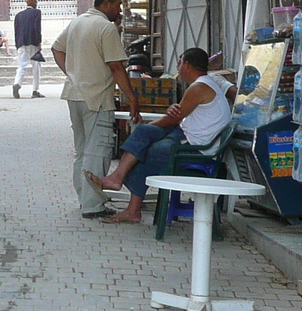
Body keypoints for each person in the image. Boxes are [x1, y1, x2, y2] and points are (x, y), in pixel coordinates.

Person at [86, 47, 236, 224]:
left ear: (187, 65)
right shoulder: (202, 84)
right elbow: (178, 114)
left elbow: (171, 120)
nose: (178, 68)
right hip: (185, 134)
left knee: (147, 152)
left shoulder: (199, 88)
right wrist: (162, 118)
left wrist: (155, 123)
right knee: (143, 133)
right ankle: (117, 178)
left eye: (179, 63)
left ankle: (132, 209)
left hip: (198, 148)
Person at [53, 0, 141, 220]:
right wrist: (132, 98)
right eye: (117, 3)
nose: (119, 9)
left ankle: (85, 200)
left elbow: (56, 48)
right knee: (97, 150)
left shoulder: (78, 22)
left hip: (74, 95)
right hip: (96, 99)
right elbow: (116, 66)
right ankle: (93, 206)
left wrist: (71, 74)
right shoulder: (105, 27)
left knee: (82, 151)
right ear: (106, 4)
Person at [13, 0, 43, 99]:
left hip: (21, 43)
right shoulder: (37, 13)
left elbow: (16, 31)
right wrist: (39, 42)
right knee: (36, 67)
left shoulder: (18, 15)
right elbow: (37, 28)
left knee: (22, 66)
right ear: (35, 4)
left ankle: (17, 83)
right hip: (33, 42)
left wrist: (17, 44)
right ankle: (35, 91)